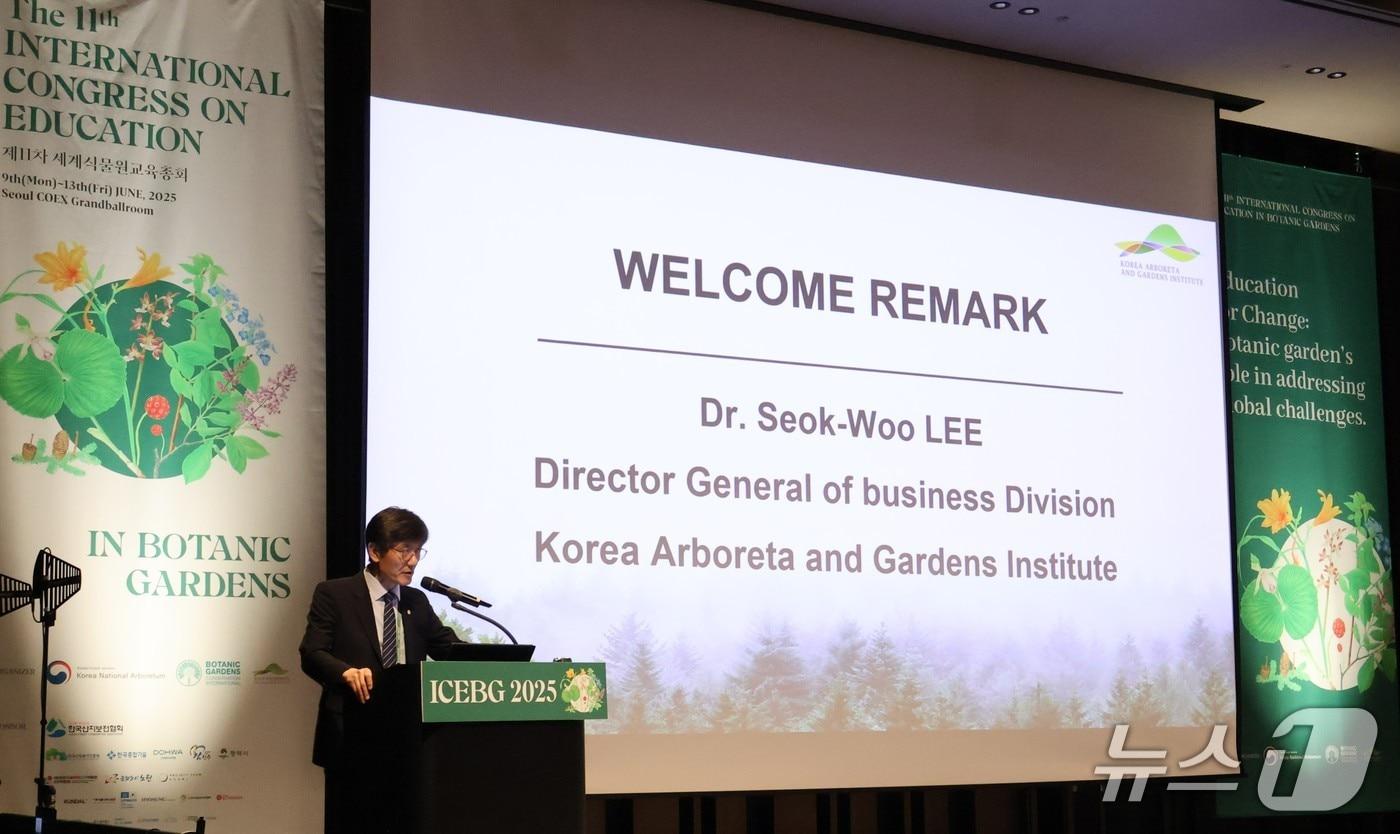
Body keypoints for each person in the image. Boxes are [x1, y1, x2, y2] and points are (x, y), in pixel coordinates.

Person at [300, 506, 459, 834]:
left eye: (418, 551)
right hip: (352, 739)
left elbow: (449, 649)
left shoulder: (415, 601)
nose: (413, 561)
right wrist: (345, 672)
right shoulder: (335, 594)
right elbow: (312, 652)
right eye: (404, 550)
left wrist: (500, 659)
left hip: (408, 743)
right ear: (374, 551)